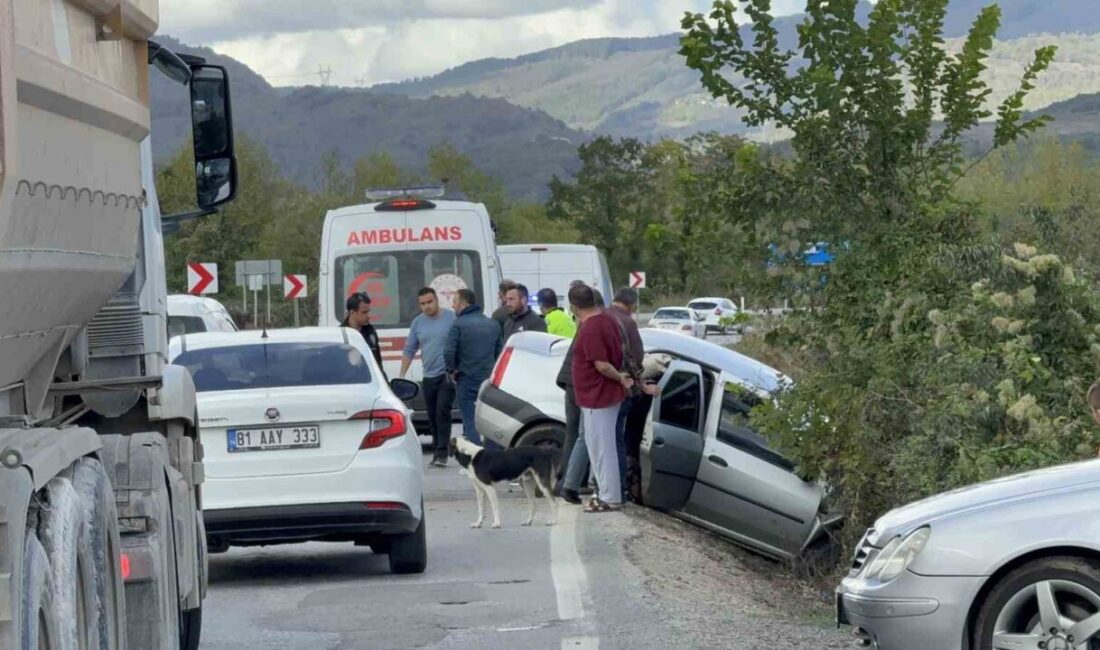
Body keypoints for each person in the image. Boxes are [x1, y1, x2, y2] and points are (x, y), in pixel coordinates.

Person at [569, 284, 631, 513]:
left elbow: (602, 365)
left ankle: (609, 496)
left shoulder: (590, 328)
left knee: (601, 449)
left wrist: (620, 378)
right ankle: (607, 493)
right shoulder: (607, 320)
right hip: (603, 395)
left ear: (573, 306)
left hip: (597, 395)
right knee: (602, 447)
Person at [400, 288, 457, 467]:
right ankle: (437, 449)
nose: (427, 306)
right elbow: (409, 349)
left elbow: (461, 342)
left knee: (442, 412)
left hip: (447, 375)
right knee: (431, 415)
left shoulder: (451, 318)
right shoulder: (418, 323)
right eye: (423, 304)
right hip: (429, 376)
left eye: (430, 302)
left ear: (437, 300)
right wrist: (401, 375)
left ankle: (442, 453)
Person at [445, 289, 503, 446]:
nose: (453, 305)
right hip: (490, 380)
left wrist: (451, 370)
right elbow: (500, 354)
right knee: (490, 419)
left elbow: (449, 351)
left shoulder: (458, 324)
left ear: (464, 304)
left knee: (470, 419)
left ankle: (475, 456)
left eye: (455, 302)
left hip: (466, 377)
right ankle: (492, 456)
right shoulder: (493, 324)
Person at [607, 287, 646, 500]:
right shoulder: (628, 323)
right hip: (621, 386)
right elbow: (638, 358)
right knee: (618, 441)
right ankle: (619, 488)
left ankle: (601, 485)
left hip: (598, 387)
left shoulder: (600, 316)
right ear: (631, 306)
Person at [343, 292, 384, 376]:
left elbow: (378, 362)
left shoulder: (370, 332)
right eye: (364, 312)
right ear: (352, 313)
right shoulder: (341, 333)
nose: (368, 316)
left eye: (368, 312)